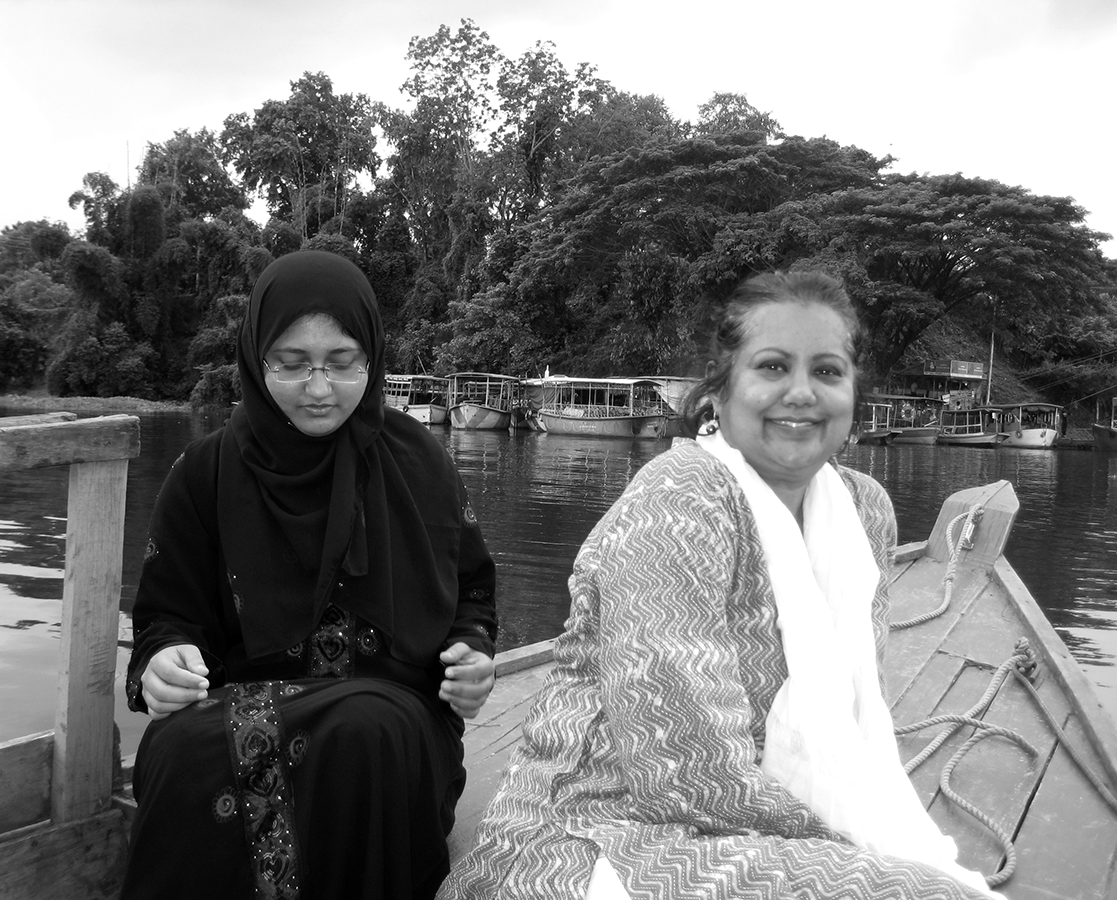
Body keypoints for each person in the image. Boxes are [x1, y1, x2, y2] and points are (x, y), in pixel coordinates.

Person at [439, 270, 999, 899]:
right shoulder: (680, 499)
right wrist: (843, 845)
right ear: (721, 388)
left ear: (853, 392)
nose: (801, 392)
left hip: (761, 816)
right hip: (596, 829)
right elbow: (684, 772)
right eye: (772, 367)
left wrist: (856, 834)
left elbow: (853, 707)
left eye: (827, 371)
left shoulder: (864, 509)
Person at [121, 250, 498, 900]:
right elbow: (165, 615)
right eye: (292, 364)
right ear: (256, 358)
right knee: (176, 750)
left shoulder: (421, 464)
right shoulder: (204, 474)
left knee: (363, 731)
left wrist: (474, 653)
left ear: (371, 359)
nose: (319, 389)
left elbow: (474, 591)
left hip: (394, 710)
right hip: (239, 699)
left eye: (342, 362)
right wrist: (161, 661)